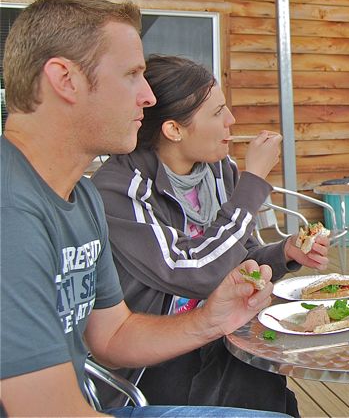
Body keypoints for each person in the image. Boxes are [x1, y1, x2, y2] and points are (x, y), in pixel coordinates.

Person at [0, 0, 286, 417]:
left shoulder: (80, 198)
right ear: (65, 79)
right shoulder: (11, 209)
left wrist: (211, 318)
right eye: (133, 74)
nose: (149, 97)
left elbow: (112, 338)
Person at [90, 54, 328, 414]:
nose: (231, 121)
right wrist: (254, 183)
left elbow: (240, 256)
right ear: (174, 130)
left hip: (224, 336)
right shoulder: (121, 188)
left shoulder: (220, 171)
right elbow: (192, 271)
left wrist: (285, 253)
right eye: (217, 113)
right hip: (157, 360)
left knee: (278, 403)